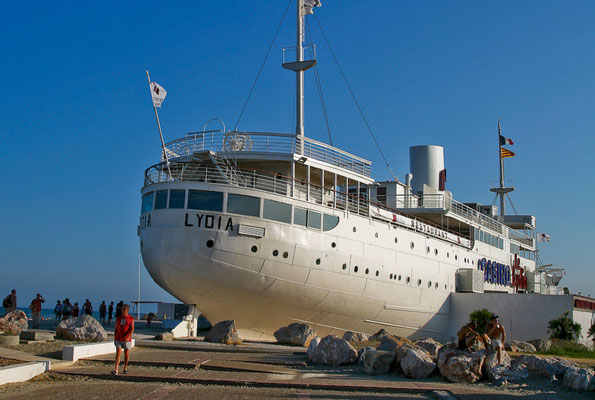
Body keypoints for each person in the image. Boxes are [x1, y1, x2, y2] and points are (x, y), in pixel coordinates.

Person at [112, 304, 134, 375]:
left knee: (126, 353)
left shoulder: (131, 318)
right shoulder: (118, 318)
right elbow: (116, 328)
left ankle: (125, 367)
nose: (122, 310)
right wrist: (115, 337)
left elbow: (132, 328)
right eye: (122, 309)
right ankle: (116, 369)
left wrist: (128, 336)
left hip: (126, 339)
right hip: (119, 338)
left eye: (124, 309)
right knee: (118, 353)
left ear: (127, 310)